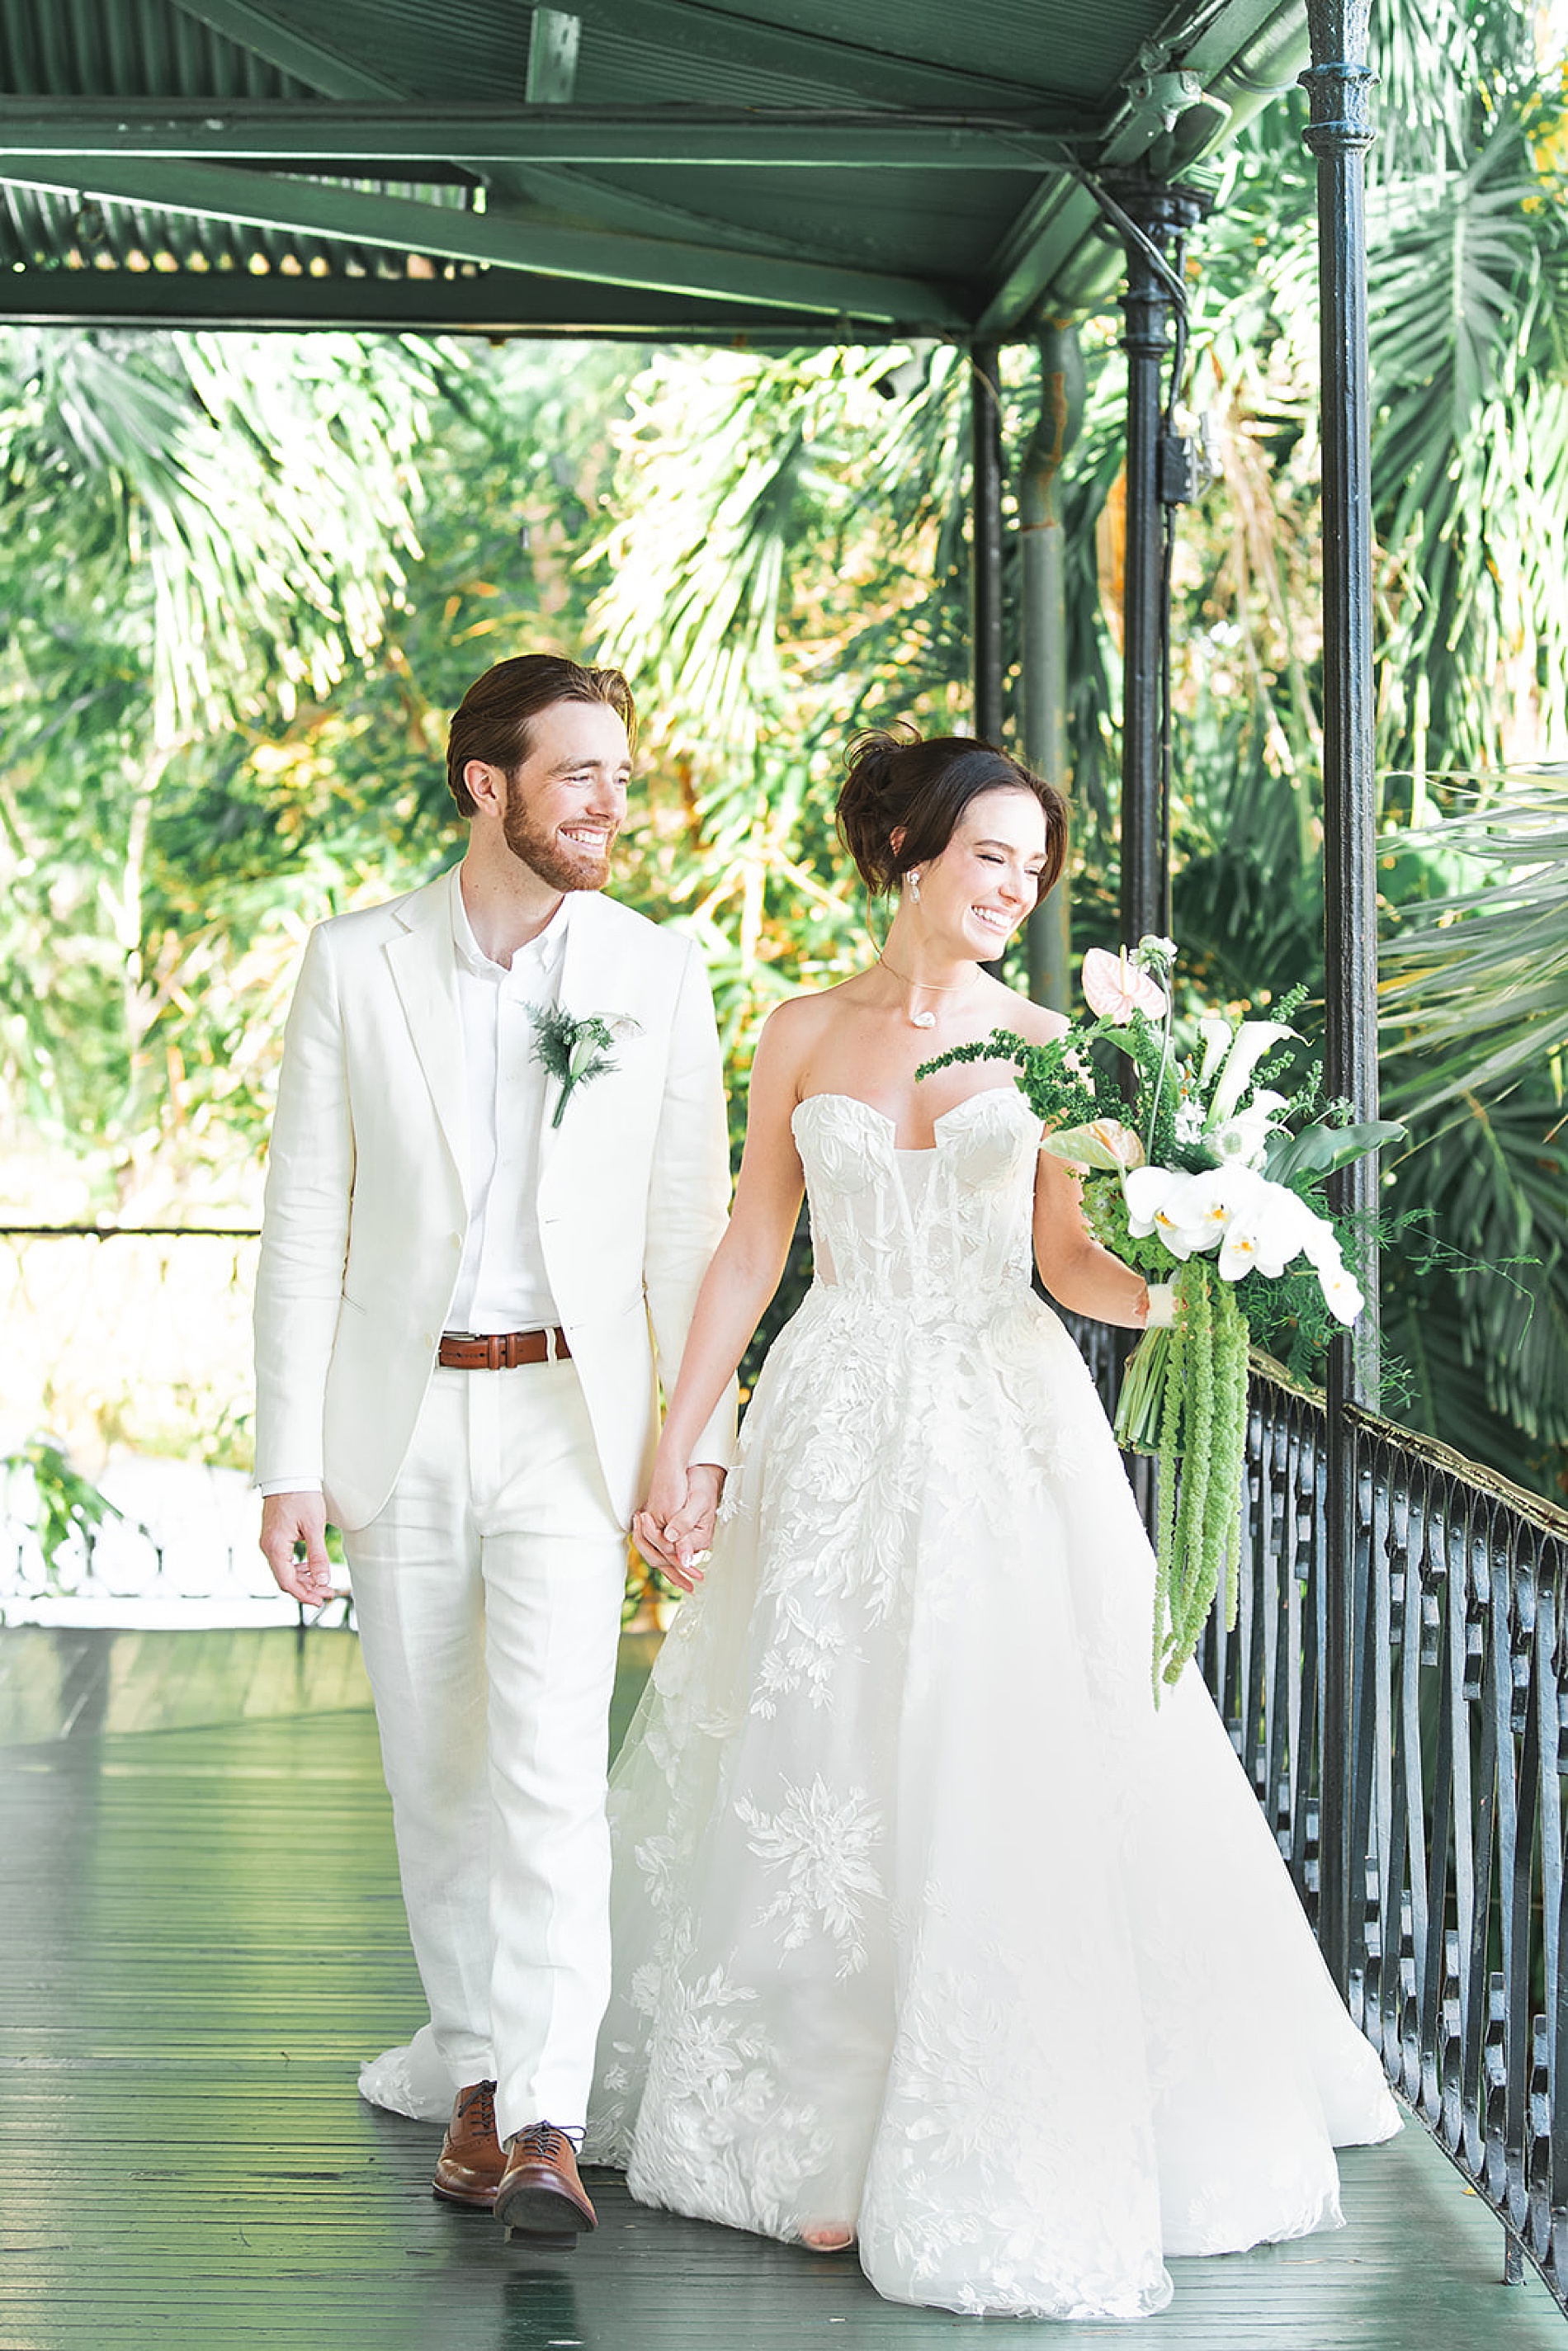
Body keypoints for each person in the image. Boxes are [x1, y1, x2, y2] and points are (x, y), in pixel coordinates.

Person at [585, 729, 1399, 2320]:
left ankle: (963, 2118)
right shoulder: (802, 1031)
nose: (1015, 892)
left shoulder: (1057, 1052)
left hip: (996, 1426)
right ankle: (813, 2132)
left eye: (1033, 869)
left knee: (981, 1755)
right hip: (827, 1415)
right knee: (817, 1756)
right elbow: (755, 1242)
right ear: (908, 848)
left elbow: (1071, 1265)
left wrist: (1189, 1271)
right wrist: (685, 1442)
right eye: (990, 858)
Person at [253, 652, 734, 2247]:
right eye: (578, 773)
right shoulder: (355, 960)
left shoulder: (657, 973)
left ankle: (543, 2113)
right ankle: (471, 2068)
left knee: (548, 1775)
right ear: (488, 786)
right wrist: (286, 1465)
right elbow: (300, 1225)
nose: (611, 801)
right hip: (398, 1414)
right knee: (434, 1773)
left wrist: (694, 1449)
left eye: (616, 771)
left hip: (565, 1421)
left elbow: (689, 1234)